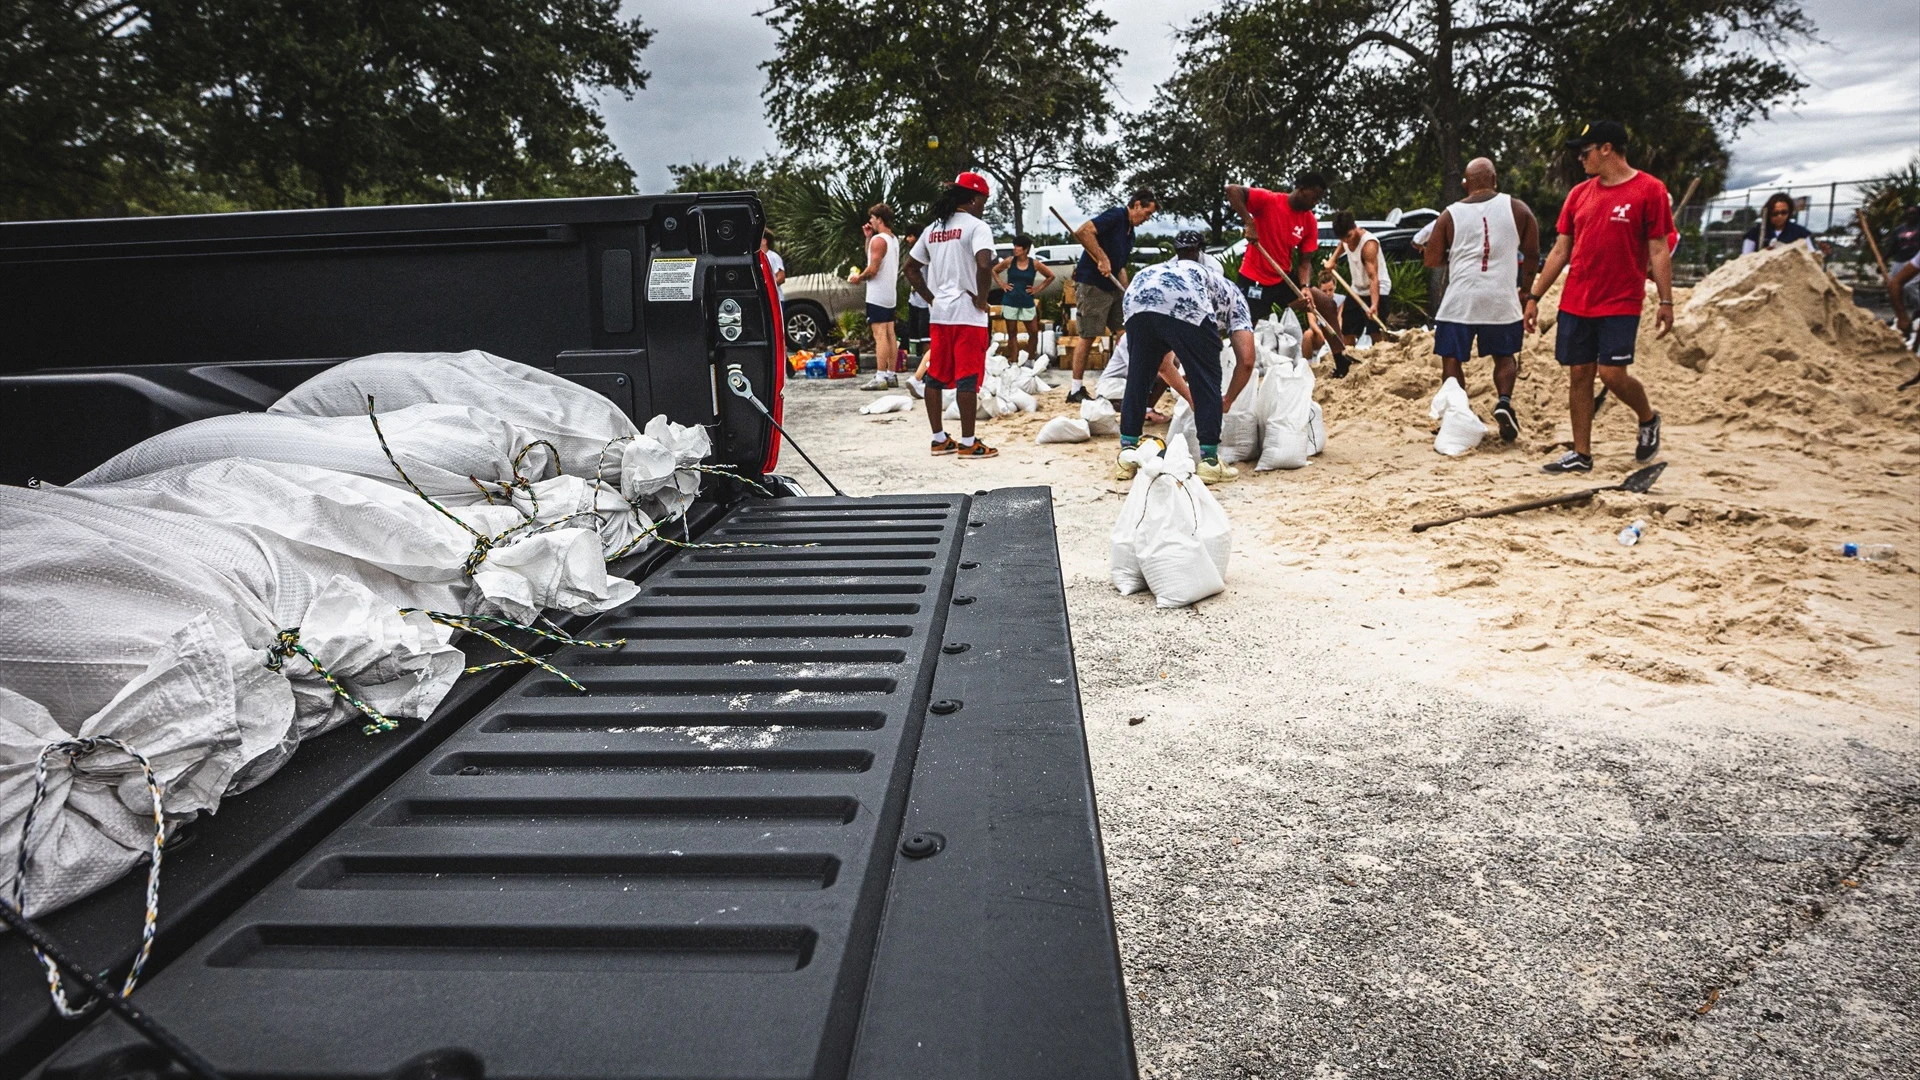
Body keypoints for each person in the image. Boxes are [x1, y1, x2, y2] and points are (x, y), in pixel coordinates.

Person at [1524, 121, 1674, 474]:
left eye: (1585, 151)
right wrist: (1533, 296)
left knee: (1611, 374)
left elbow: (1659, 249)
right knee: (1579, 374)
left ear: (1607, 148)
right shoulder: (1579, 194)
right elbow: (1561, 251)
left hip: (1620, 300)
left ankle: (1648, 418)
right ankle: (1581, 454)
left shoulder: (1649, 190)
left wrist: (1666, 301)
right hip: (1577, 299)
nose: (1580, 158)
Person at [1116, 229, 1256, 485]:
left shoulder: (1158, 270)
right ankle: (1211, 462)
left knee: (1138, 377)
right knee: (1207, 378)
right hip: (1186, 301)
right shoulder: (1232, 293)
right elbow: (1246, 360)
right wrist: (1225, 399)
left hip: (1137, 294)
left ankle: (1127, 454)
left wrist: (1191, 398)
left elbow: (1162, 364)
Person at [1423, 157, 1541, 443]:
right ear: (1495, 179)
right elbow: (1533, 255)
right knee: (1504, 356)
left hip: (1460, 299)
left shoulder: (1449, 215)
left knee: (1451, 359)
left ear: (1465, 184)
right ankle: (1503, 402)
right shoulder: (1518, 209)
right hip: (1500, 298)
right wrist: (1525, 291)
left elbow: (1432, 260)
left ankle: (1457, 413)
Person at [904, 172, 1000, 459]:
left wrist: (932, 298)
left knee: (935, 375)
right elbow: (984, 265)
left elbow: (910, 268)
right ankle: (969, 443)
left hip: (940, 314)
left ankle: (938, 439)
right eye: (983, 200)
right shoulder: (977, 227)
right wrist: (982, 299)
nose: (984, 206)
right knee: (967, 377)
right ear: (973, 199)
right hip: (968, 315)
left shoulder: (933, 229)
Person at [1227, 173, 1352, 376]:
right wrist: (1249, 222)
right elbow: (1232, 190)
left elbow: (1305, 261)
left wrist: (1304, 288)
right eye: (1314, 197)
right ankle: (1231, 368)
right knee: (1245, 326)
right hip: (1254, 277)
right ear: (1301, 188)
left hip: (1281, 277)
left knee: (1326, 304)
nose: (1315, 203)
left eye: (1319, 199)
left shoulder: (1309, 221)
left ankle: (1341, 361)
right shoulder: (1269, 200)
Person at [1066, 188, 1158, 403]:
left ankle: (1126, 379)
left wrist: (1127, 293)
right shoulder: (1116, 216)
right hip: (1092, 284)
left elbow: (1120, 266)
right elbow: (1083, 232)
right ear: (1136, 205)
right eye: (1146, 214)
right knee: (1089, 334)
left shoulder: (1130, 233)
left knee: (1125, 331)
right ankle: (1075, 389)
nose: (1147, 219)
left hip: (1112, 287)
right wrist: (1102, 258)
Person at [850, 204, 902, 390]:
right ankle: (891, 374)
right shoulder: (891, 239)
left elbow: (873, 268)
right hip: (890, 293)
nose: (870, 221)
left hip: (877, 293)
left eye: (872, 218)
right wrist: (868, 238)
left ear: (879, 219)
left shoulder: (879, 240)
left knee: (879, 335)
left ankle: (880, 376)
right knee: (889, 333)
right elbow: (872, 257)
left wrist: (858, 277)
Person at [1325, 210, 1393, 346]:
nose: (1346, 240)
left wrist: (1374, 304)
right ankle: (1349, 360)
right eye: (1343, 238)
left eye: (1348, 236)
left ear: (1354, 227)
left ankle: (1381, 359)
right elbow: (1342, 245)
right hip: (1357, 289)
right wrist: (1333, 260)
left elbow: (1373, 277)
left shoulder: (1368, 245)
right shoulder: (1345, 238)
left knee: (1375, 331)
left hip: (1377, 289)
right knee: (1348, 329)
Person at [1094, 333, 1191, 423]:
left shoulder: (1156, 335)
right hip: (1113, 384)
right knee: (1162, 375)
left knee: (1170, 364)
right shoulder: (1130, 337)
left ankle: (1147, 409)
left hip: (1130, 381)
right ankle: (1138, 411)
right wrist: (1180, 378)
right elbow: (1141, 371)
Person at [993, 234, 1056, 360]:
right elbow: (994, 271)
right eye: (1014, 246)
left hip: (1027, 301)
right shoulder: (1010, 261)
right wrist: (1002, 285)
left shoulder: (1035, 264)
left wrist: (1037, 289)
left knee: (1033, 333)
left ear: (1026, 249)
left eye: (1018, 246)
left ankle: (1030, 359)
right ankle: (1015, 360)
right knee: (1012, 333)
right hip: (1010, 301)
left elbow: (1050, 276)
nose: (1015, 248)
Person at [1741, 192, 1815, 255]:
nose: (1780, 216)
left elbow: (1811, 255)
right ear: (1768, 213)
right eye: (1775, 213)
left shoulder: (1800, 233)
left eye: (1784, 212)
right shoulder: (1755, 233)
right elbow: (1745, 258)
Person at [761, 231, 786, 299]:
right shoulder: (758, 258)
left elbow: (781, 278)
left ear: (764, 241)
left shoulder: (773, 256)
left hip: (776, 299)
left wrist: (766, 287)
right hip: (765, 299)